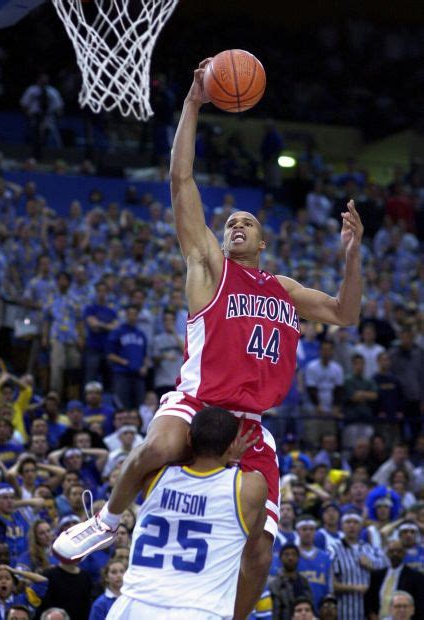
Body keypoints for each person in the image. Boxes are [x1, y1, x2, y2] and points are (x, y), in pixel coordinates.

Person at [53, 58, 364, 618]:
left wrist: (351, 258)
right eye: (230, 224)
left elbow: (345, 313)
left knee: (263, 547)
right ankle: (104, 522)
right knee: (161, 447)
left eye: (247, 222)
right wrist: (194, 103)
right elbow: (181, 181)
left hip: (250, 422)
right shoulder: (211, 268)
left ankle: (236, 616)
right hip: (199, 403)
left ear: (264, 241)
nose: (236, 226)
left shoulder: (284, 289)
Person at [59, 407, 266, 619]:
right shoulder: (250, 488)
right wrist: (232, 456)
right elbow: (254, 542)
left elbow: (140, 458)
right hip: (198, 609)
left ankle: (105, 522)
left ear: (188, 438)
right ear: (232, 446)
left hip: (134, 604)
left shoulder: (154, 476)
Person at [332, 511, 387, 620]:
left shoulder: (371, 549)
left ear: (361, 527)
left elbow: (387, 569)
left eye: (355, 522)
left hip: (369, 611)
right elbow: (331, 584)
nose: (352, 525)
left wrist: (371, 566)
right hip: (345, 610)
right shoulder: (333, 549)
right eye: (348, 522)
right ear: (342, 526)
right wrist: (356, 588)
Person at [365, 539, 424, 620]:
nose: (395, 554)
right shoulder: (377, 576)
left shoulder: (415, 577)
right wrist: (372, 616)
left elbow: (420, 606)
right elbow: (369, 600)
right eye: (391, 551)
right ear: (387, 553)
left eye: (399, 551)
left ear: (404, 553)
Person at [269, 543, 313, 620]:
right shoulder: (274, 584)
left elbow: (309, 606)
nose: (290, 557)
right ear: (280, 558)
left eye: (294, 554)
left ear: (298, 558)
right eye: (287, 554)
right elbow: (274, 612)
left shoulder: (304, 581)